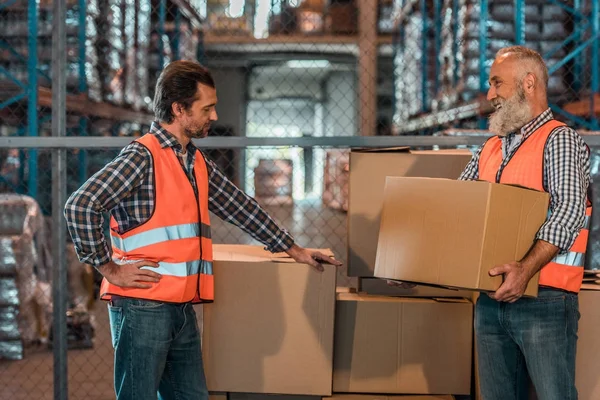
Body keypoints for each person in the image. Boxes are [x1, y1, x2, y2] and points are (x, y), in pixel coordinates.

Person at [63, 60, 342, 400]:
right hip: (142, 306)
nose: (213, 116)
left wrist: (293, 249)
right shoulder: (142, 157)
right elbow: (81, 205)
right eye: (206, 108)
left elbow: (239, 206)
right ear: (179, 109)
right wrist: (109, 268)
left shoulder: (193, 160)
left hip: (181, 307)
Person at [459, 46, 591, 400]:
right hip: (490, 299)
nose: (490, 95)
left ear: (528, 83)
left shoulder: (559, 139)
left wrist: (525, 268)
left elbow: (569, 210)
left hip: (544, 299)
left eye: (496, 83)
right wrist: (416, 265)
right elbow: (456, 210)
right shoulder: (490, 148)